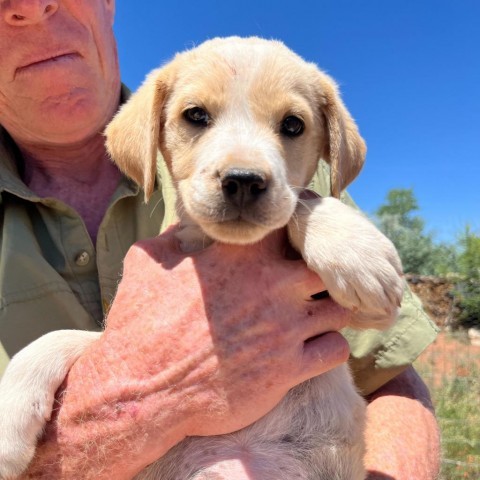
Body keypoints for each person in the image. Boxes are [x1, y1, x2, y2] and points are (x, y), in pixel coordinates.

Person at [0, 1, 440, 479]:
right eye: (197, 116)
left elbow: (384, 348)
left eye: (290, 126)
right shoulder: (148, 128)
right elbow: (130, 355)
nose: (245, 171)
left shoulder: (314, 213)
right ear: (157, 135)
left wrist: (313, 212)